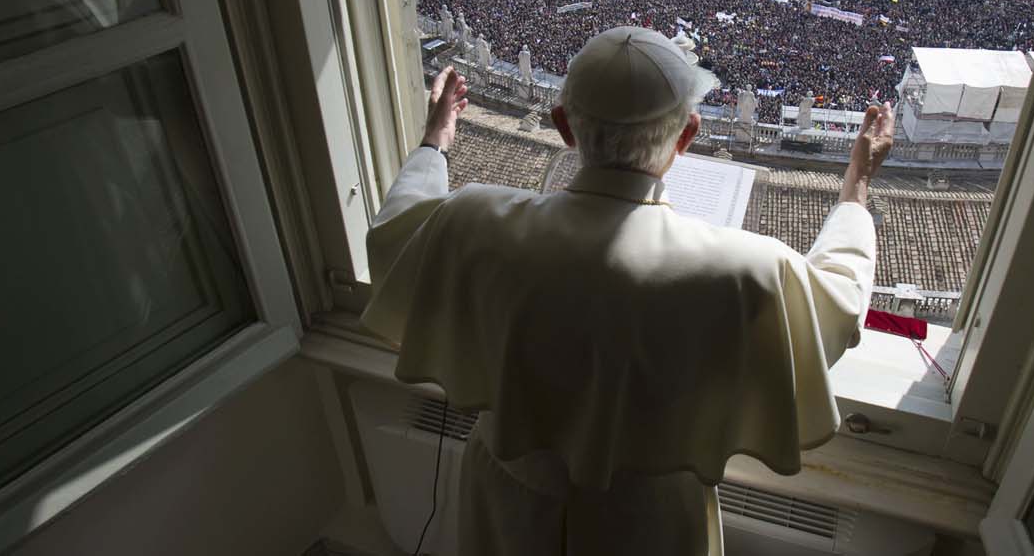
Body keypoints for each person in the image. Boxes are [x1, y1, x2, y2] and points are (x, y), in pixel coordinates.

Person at [361, 27, 894, 556]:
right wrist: (857, 182)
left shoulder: (474, 220)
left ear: (564, 127)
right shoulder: (747, 271)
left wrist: (436, 142)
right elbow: (840, 304)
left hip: (509, 498)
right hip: (650, 524)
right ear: (686, 136)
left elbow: (395, 236)